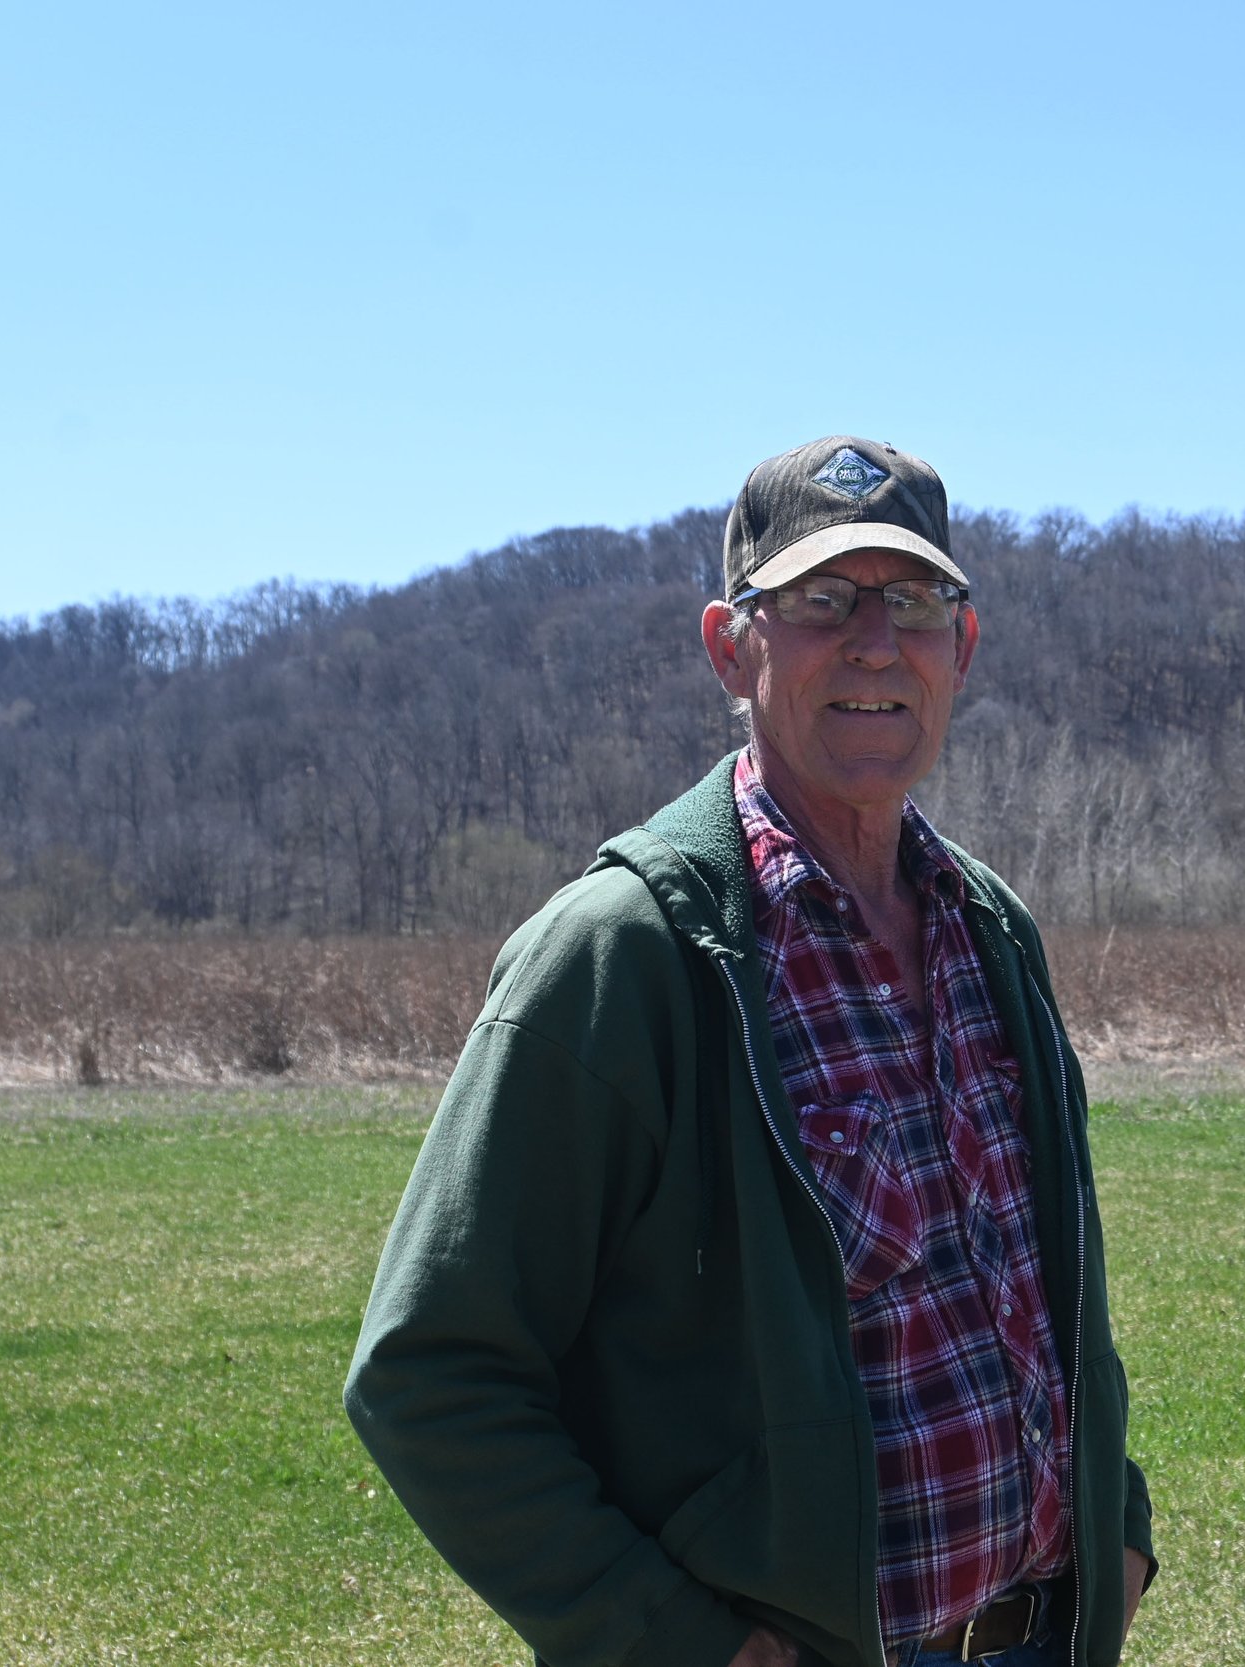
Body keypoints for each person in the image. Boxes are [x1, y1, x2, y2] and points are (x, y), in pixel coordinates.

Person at [345, 436, 1155, 1667]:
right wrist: (672, 1641)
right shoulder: (626, 954)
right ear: (733, 643)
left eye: (917, 602)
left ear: (965, 647)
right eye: (823, 601)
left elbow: (1051, 1295)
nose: (877, 642)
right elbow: (431, 1370)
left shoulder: (989, 928)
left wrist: (1120, 1524)